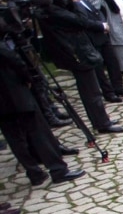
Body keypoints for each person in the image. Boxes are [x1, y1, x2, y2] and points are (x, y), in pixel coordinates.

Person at [35, 0, 123, 133]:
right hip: (76, 53)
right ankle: (101, 123)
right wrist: (75, 3)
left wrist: (69, 1)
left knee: (91, 89)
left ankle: (101, 120)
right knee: (91, 91)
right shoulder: (52, 12)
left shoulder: (53, 8)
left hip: (77, 50)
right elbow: (80, 21)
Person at [0, 45, 85, 187]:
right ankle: (58, 170)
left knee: (14, 137)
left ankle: (35, 173)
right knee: (38, 131)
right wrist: (28, 77)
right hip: (14, 92)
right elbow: (13, 59)